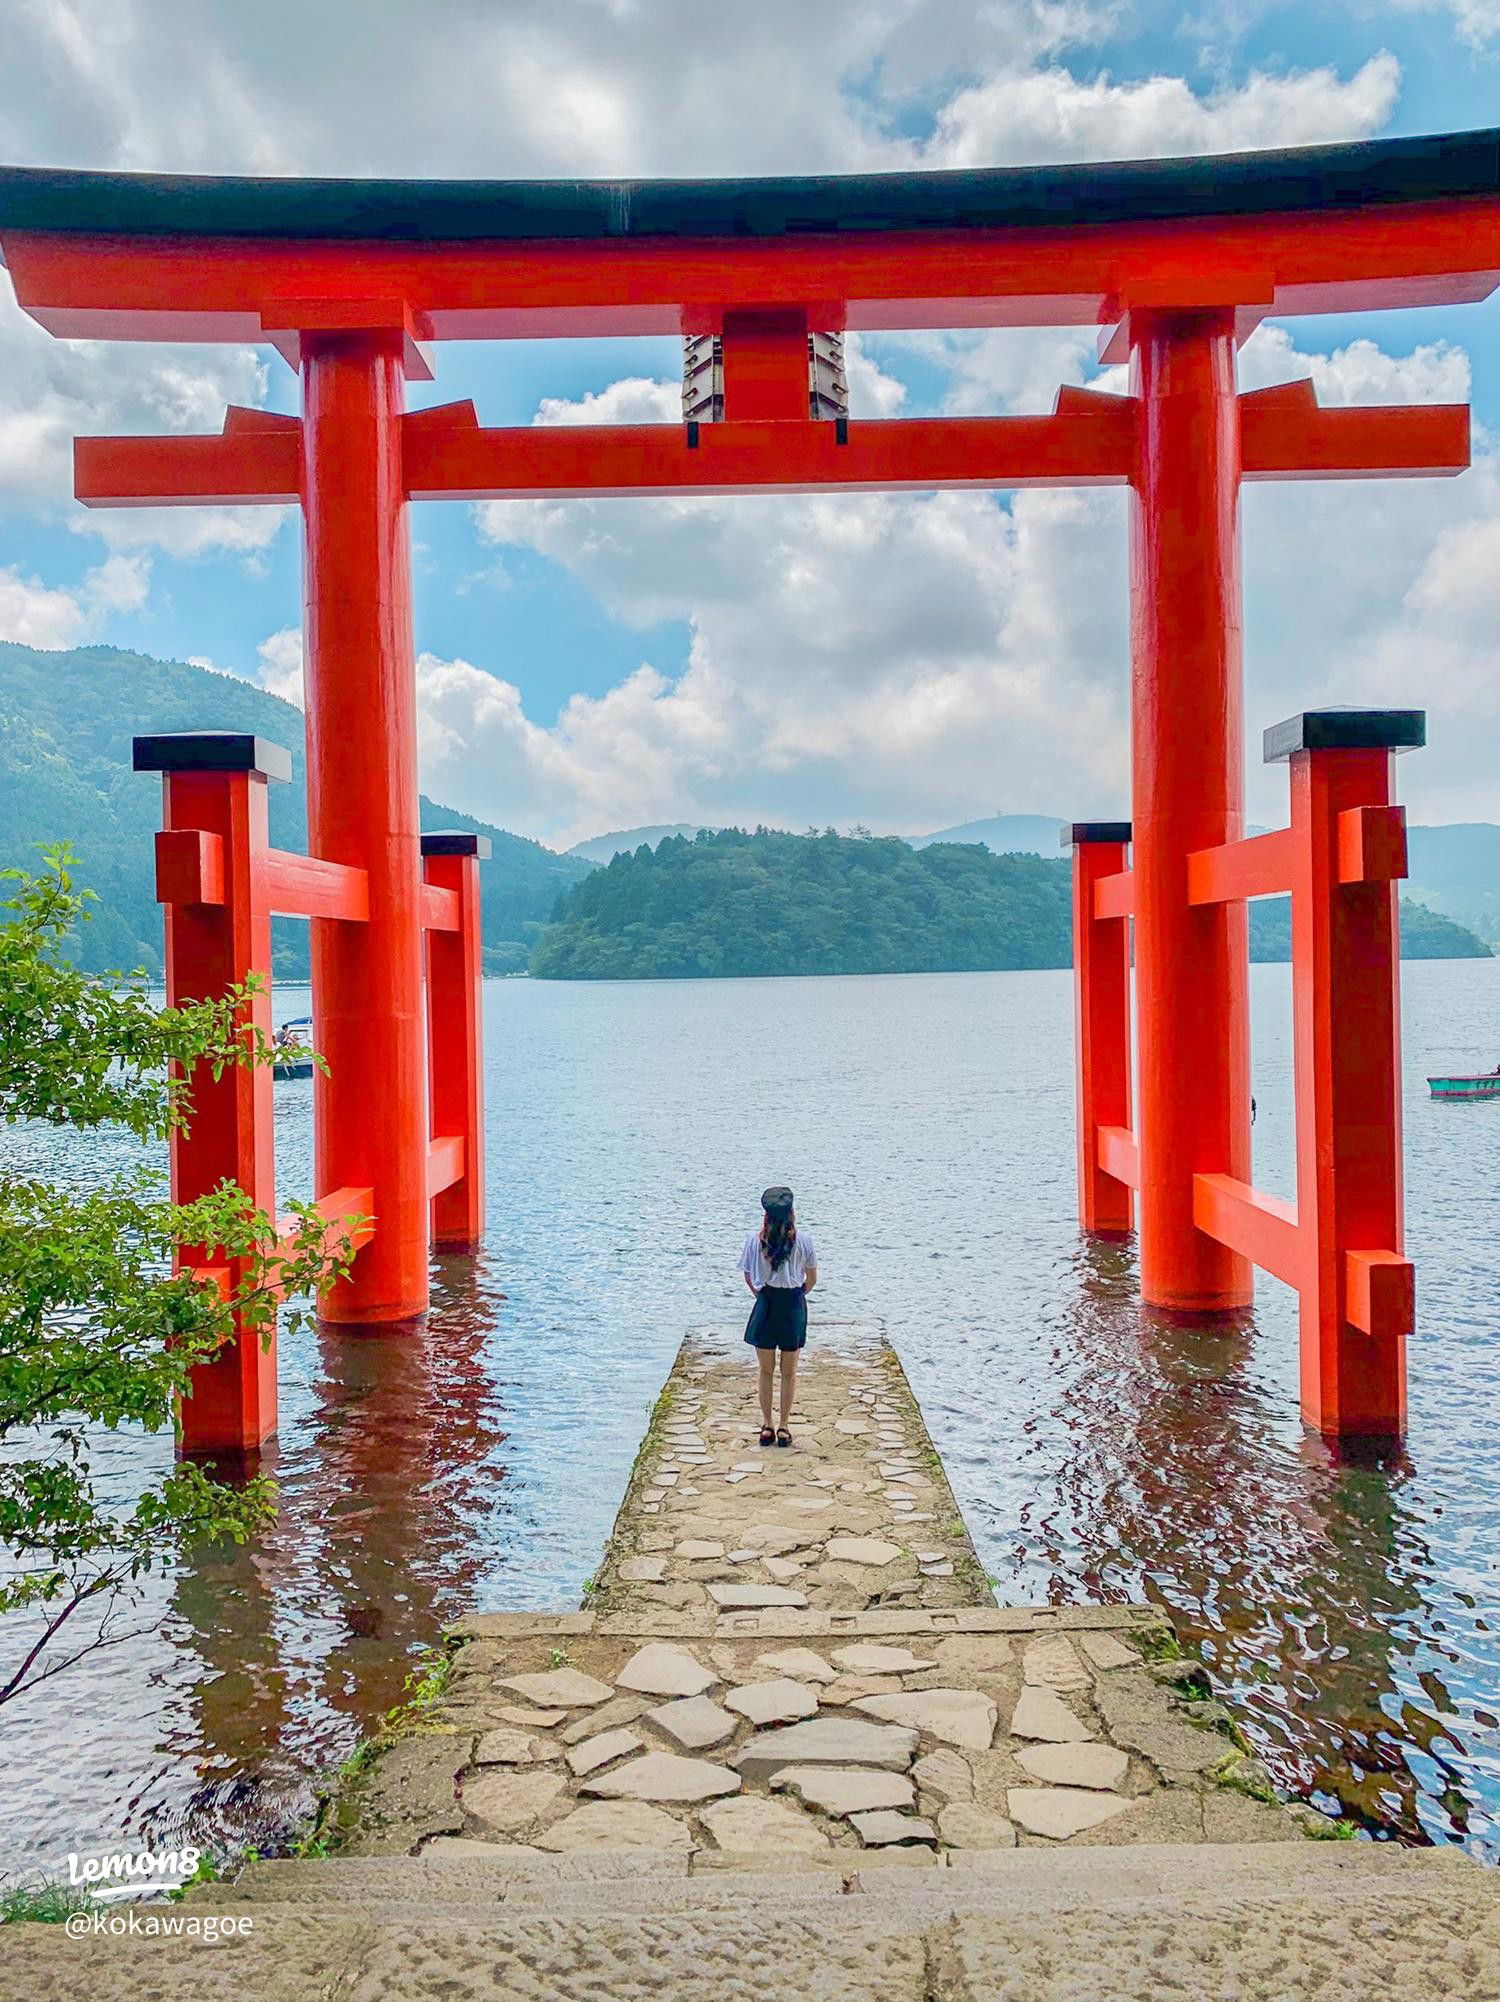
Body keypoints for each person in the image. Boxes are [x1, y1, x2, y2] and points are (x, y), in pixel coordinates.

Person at [738, 1185, 817, 1448]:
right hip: (793, 1303)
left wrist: (761, 1295)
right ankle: (784, 1426)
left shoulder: (754, 1240)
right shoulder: (804, 1241)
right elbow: (811, 1279)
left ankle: (767, 1425)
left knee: (765, 1371)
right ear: (791, 1212)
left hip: (766, 1302)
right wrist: (796, 1295)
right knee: (789, 1372)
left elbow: (749, 1277)